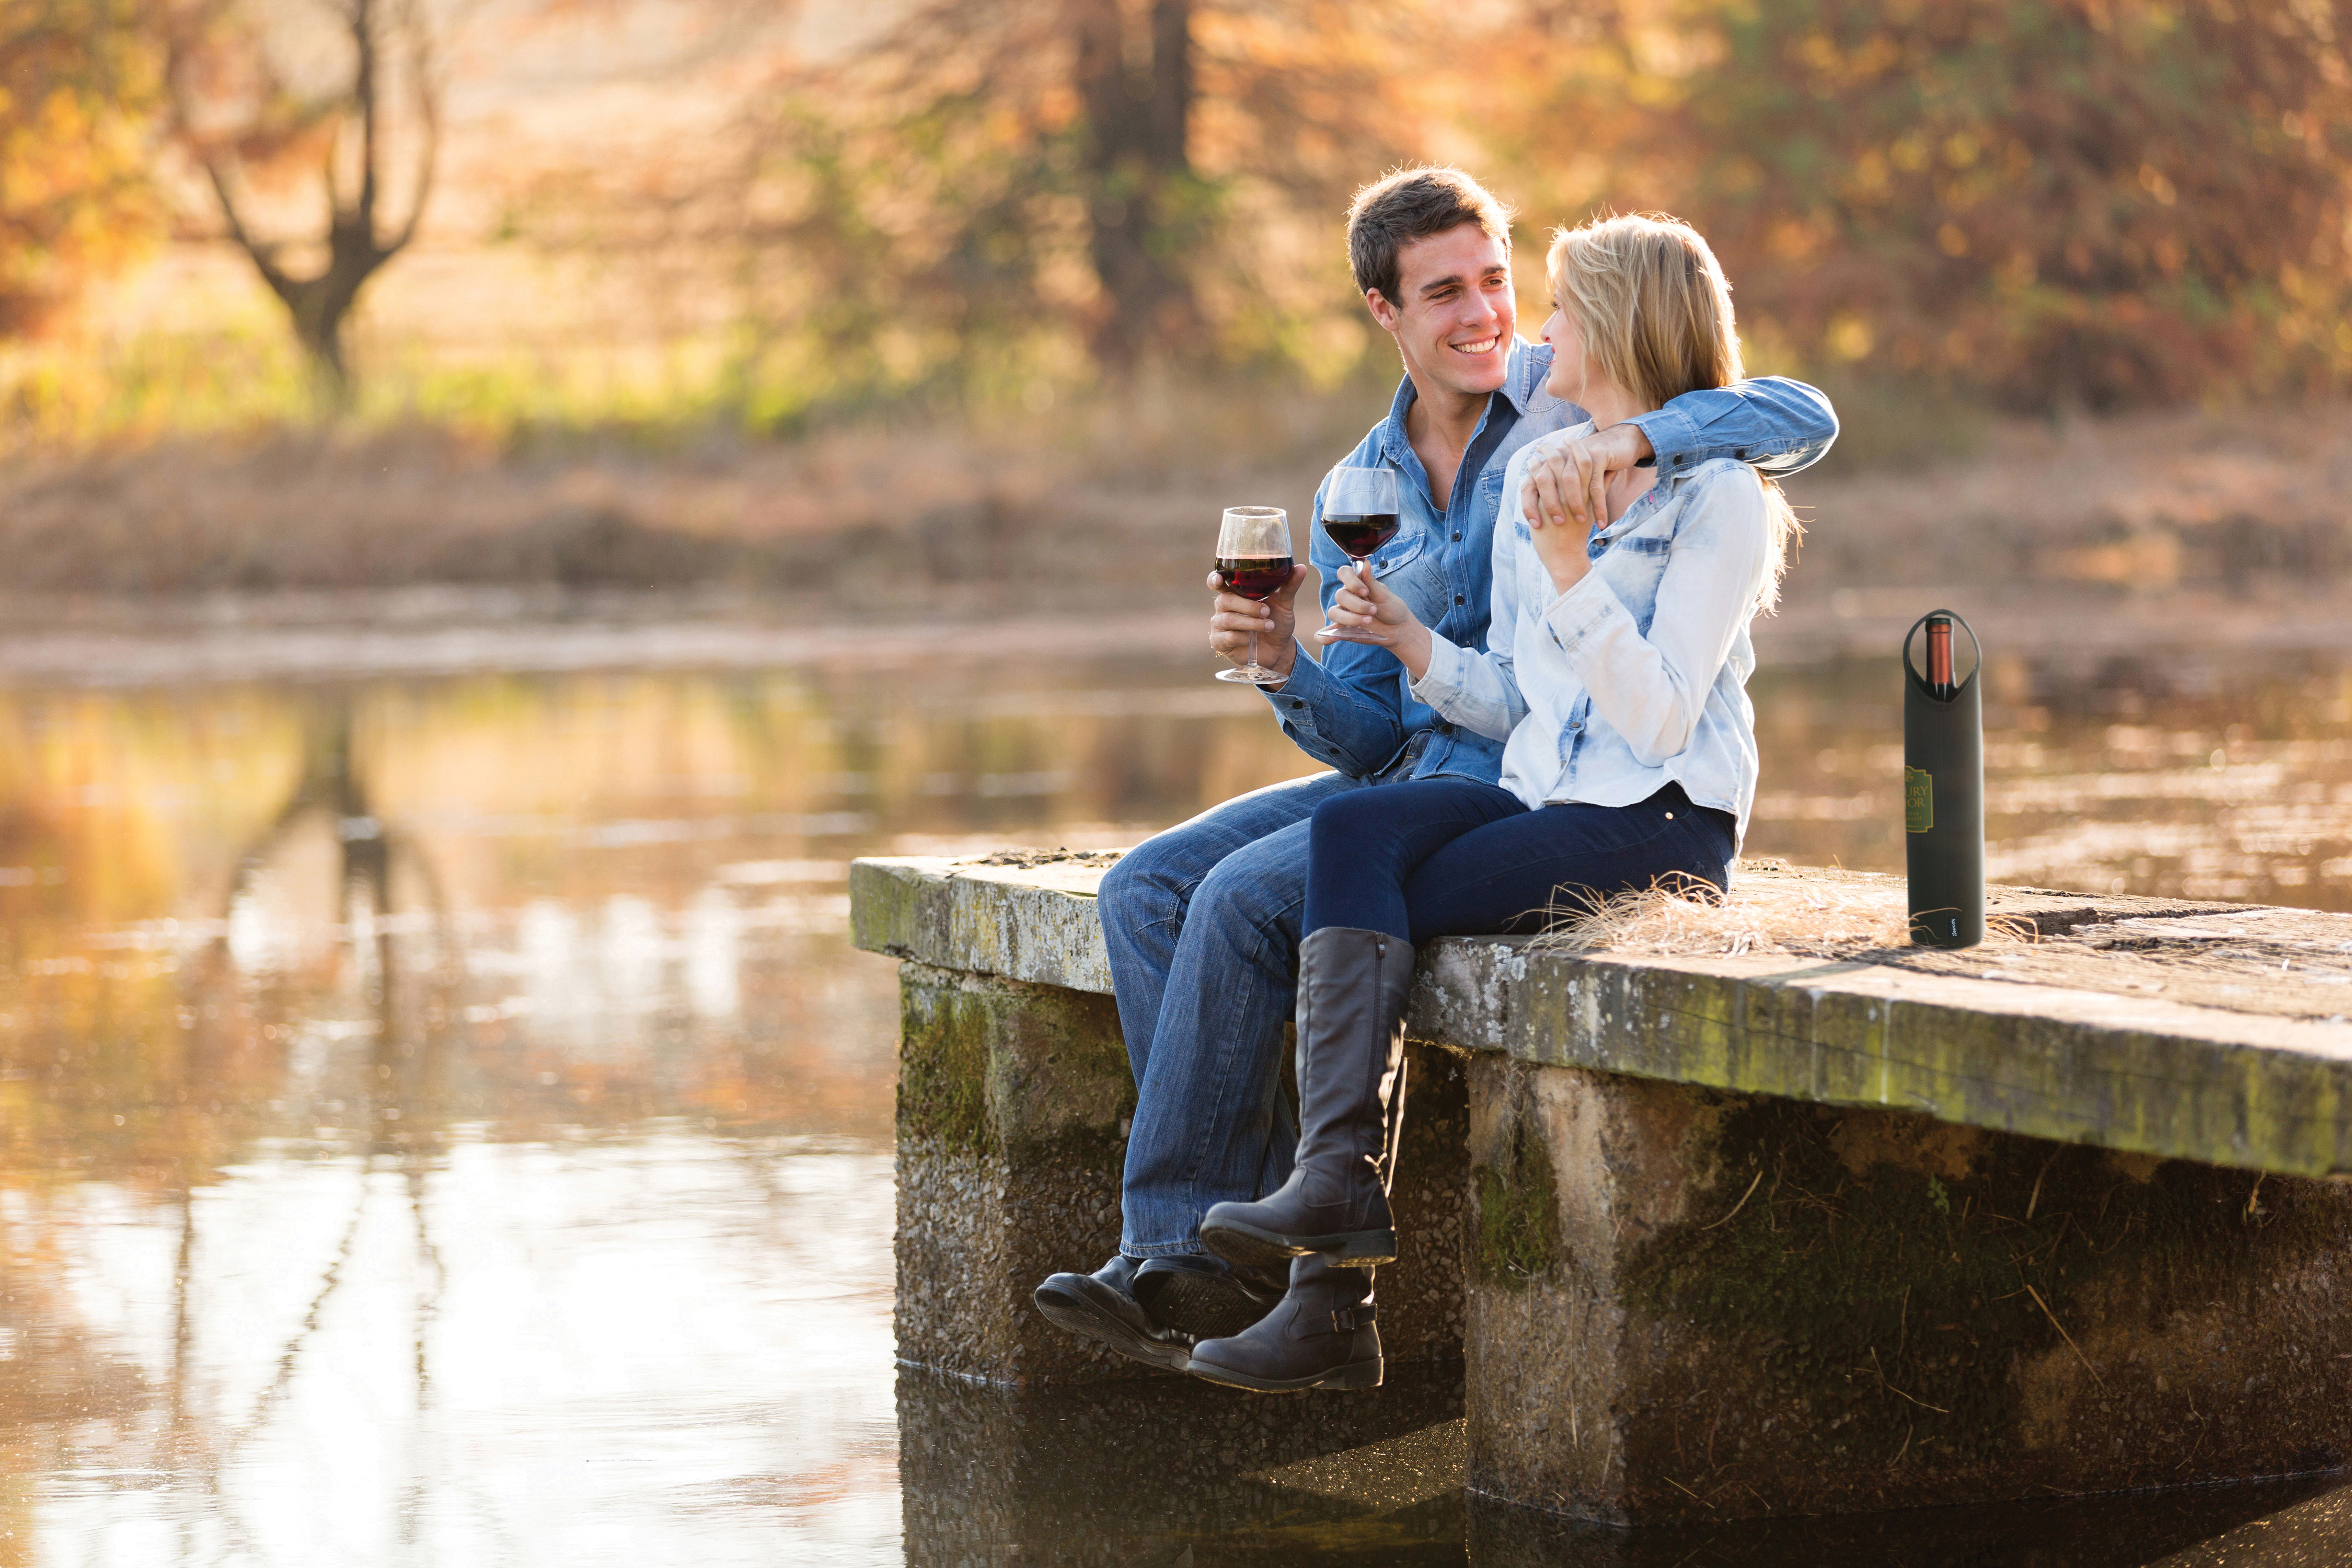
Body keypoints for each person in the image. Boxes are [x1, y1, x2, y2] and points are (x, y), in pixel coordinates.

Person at [1032, 169, 1838, 1375]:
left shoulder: (1563, 414)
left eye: (1500, 283)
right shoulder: (1357, 488)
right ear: (1384, 311)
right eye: (1446, 293)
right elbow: (1365, 734)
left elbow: (1789, 415)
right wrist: (1284, 669)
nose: (1490, 318)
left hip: (1516, 780)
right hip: (1420, 767)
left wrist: (1633, 433)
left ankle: (1233, 1251)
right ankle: (1192, 1245)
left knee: (1253, 899)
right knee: (1141, 890)